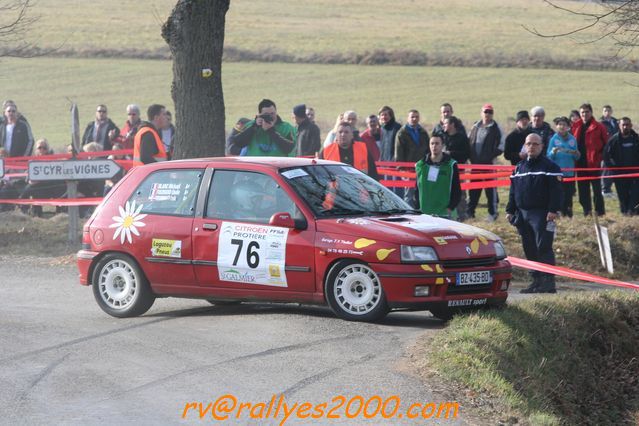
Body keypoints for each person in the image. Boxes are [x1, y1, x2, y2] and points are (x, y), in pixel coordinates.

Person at [506, 133, 563, 294]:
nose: (531, 147)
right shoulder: (519, 167)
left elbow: (557, 191)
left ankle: (548, 282)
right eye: (529, 144)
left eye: (535, 144)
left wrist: (553, 210)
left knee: (543, 246)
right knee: (529, 248)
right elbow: (513, 190)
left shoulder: (550, 167)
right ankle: (536, 281)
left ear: (542, 146)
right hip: (523, 213)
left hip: (542, 213)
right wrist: (510, 210)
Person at [467, 103, 503, 221]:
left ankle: (492, 213)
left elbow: (502, 145)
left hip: (489, 165)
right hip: (475, 164)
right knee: (473, 190)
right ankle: (470, 213)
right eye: (485, 111)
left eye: (490, 112)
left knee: (490, 190)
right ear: (481, 113)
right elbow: (469, 142)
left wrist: (491, 155)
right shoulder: (474, 127)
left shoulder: (496, 128)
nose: (487, 114)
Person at [571, 103, 608, 216]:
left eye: (587, 112)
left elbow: (607, 145)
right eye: (582, 112)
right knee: (583, 192)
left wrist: (601, 158)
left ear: (591, 112)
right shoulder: (575, 126)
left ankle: (600, 213)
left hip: (594, 164)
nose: (585, 114)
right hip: (580, 164)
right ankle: (587, 212)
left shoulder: (599, 126)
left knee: (597, 191)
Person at [228, 99, 296, 157]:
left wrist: (271, 131)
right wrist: (254, 127)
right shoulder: (251, 125)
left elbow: (290, 148)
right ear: (259, 114)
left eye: (272, 113)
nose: (270, 117)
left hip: (277, 167)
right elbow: (238, 143)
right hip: (256, 168)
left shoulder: (286, 127)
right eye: (267, 114)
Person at [414, 136, 461, 217]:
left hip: (444, 214)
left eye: (437, 143)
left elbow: (457, 189)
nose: (434, 146)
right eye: (432, 143)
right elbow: (417, 189)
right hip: (424, 214)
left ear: (442, 145)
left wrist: (450, 208)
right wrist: (417, 207)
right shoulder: (420, 165)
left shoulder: (451, 165)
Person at [19, 139, 66, 217]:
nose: (42, 150)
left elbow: (57, 175)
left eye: (44, 148)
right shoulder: (32, 162)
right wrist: (30, 181)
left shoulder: (53, 160)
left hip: (51, 187)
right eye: (39, 148)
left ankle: (61, 214)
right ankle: (25, 213)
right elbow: (28, 177)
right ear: (36, 149)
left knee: (61, 186)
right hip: (37, 187)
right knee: (28, 189)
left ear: (47, 149)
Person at [604, 117, 639, 215]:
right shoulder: (614, 140)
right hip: (620, 175)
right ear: (619, 126)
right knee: (623, 196)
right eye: (623, 125)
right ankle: (625, 214)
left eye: (627, 124)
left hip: (635, 174)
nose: (625, 127)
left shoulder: (636, 139)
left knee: (635, 195)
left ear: (631, 126)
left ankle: (634, 213)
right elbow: (606, 155)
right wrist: (613, 169)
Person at [395, 109, 430, 207]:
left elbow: (428, 150)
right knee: (409, 194)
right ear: (408, 118)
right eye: (412, 117)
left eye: (416, 117)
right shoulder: (401, 133)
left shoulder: (423, 132)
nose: (414, 119)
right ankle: (409, 214)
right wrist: (401, 169)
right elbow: (399, 152)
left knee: (423, 192)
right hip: (408, 169)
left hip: (422, 168)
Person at [547, 116, 580, 218]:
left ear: (568, 127)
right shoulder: (553, 139)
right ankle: (559, 213)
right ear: (556, 126)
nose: (562, 126)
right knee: (559, 193)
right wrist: (553, 152)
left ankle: (569, 214)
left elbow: (577, 157)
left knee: (569, 194)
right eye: (559, 124)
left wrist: (576, 153)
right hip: (558, 172)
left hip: (570, 172)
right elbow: (548, 156)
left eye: (564, 125)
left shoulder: (572, 139)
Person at [441, 116, 470, 220]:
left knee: (459, 194)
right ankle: (445, 214)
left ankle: (462, 215)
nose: (443, 126)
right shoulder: (442, 137)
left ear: (452, 124)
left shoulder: (462, 138)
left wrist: (450, 153)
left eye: (446, 123)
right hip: (444, 171)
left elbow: (466, 154)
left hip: (458, 171)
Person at [600, 105, 618, 197]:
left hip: (616, 149)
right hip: (606, 149)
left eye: (608, 110)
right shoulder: (601, 123)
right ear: (603, 112)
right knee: (606, 168)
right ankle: (605, 189)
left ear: (611, 111)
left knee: (614, 168)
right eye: (605, 111)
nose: (607, 112)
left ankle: (609, 188)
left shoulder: (616, 122)